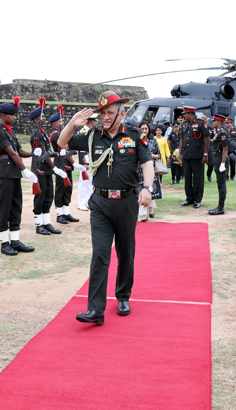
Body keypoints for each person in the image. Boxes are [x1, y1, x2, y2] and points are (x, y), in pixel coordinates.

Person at [57, 91, 153, 324]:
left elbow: (147, 163)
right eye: (103, 114)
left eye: (110, 113)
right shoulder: (92, 136)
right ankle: (95, 309)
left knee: (125, 252)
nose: (106, 117)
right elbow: (61, 142)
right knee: (100, 254)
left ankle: (122, 296)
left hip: (126, 202)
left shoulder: (134, 135)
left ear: (121, 113)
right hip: (100, 203)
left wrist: (147, 188)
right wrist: (72, 123)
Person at [0, 99, 38, 256]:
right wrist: (25, 169)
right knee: (4, 208)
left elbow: (20, 151)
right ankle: (4, 243)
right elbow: (11, 153)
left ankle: (15, 241)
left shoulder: (10, 132)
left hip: (14, 174)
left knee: (16, 206)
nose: (15, 118)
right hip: (5, 174)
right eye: (12, 115)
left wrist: (34, 152)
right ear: (4, 115)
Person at [29, 104, 66, 235]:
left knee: (48, 196)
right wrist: (55, 167)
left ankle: (46, 223)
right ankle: (39, 225)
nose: (45, 118)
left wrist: (58, 154)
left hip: (47, 170)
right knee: (40, 197)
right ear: (36, 119)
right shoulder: (37, 134)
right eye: (42, 116)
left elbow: (48, 153)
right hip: (41, 170)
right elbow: (44, 154)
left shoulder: (42, 133)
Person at [49, 110, 86, 224]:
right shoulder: (56, 135)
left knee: (68, 188)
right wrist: (74, 163)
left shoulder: (62, 133)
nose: (63, 123)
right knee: (60, 188)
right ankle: (60, 214)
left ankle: (66, 212)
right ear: (55, 124)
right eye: (60, 121)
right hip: (61, 163)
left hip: (66, 162)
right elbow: (64, 150)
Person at [178, 106, 210, 208]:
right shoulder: (184, 124)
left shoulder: (201, 123)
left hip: (198, 156)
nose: (184, 116)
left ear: (190, 114)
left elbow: (206, 139)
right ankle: (189, 198)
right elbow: (182, 140)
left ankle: (197, 199)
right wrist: (180, 154)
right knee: (187, 177)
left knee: (198, 178)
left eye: (185, 114)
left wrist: (205, 154)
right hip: (187, 155)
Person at [137, 123, 162, 222]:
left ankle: (151, 209)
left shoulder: (153, 140)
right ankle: (144, 214)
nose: (144, 130)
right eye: (142, 129)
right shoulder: (137, 140)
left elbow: (159, 155)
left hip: (151, 168)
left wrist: (151, 156)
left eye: (145, 128)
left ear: (149, 129)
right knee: (142, 190)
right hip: (139, 170)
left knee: (151, 189)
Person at [208, 114, 229, 215]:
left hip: (221, 159)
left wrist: (223, 163)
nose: (212, 123)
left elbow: (225, 149)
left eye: (214, 121)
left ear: (219, 122)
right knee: (219, 183)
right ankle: (220, 206)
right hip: (217, 159)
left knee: (221, 184)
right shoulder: (215, 132)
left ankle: (221, 208)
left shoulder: (222, 133)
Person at [76, 113, 97, 211]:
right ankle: (81, 203)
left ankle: (87, 201)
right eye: (95, 120)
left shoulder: (89, 131)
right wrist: (82, 163)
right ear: (92, 121)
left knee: (89, 181)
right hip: (85, 160)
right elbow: (80, 148)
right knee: (83, 181)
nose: (96, 122)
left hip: (90, 159)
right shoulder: (84, 131)